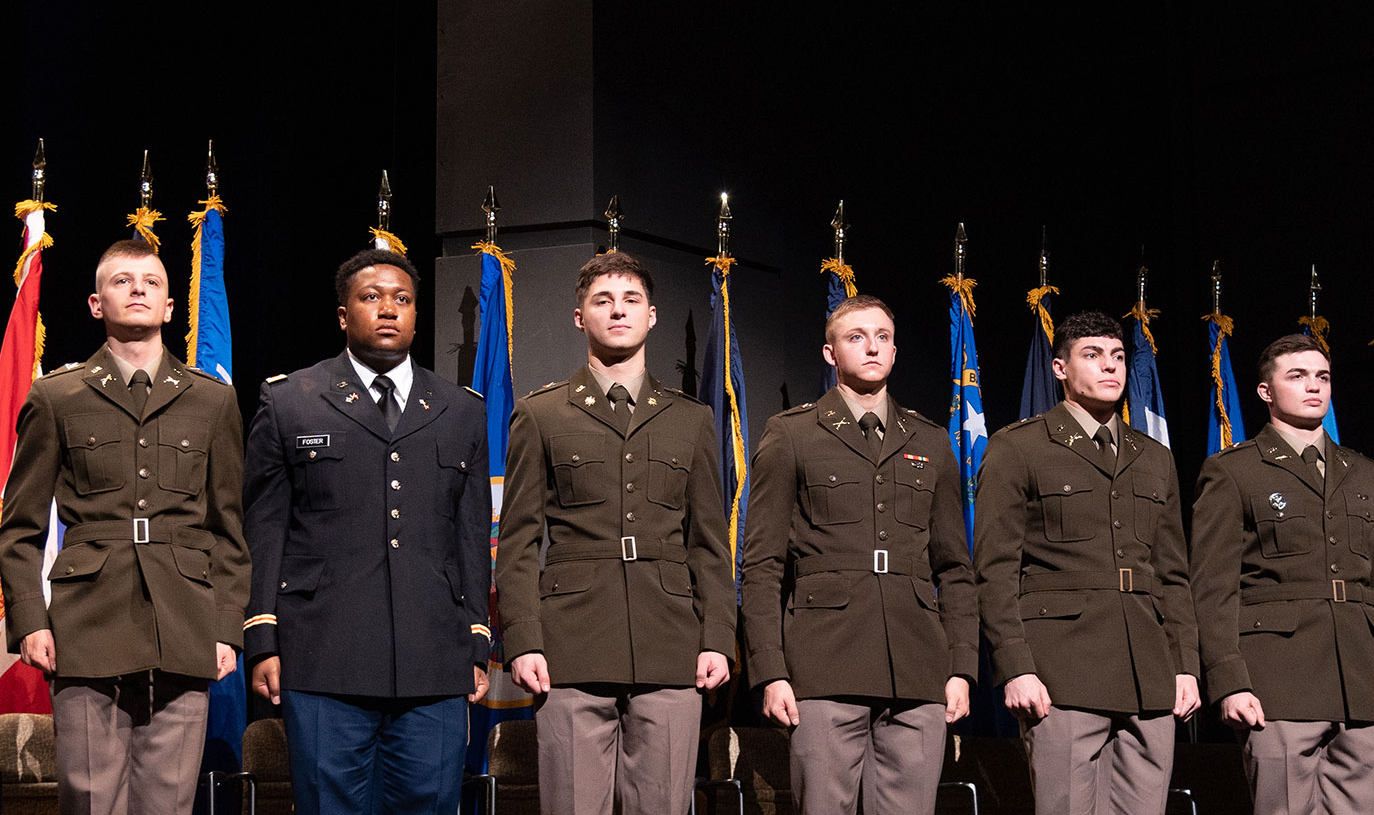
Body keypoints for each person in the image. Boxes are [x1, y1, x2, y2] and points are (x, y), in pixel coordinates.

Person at [0, 240, 248, 815]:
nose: (138, 289)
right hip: (86, 626)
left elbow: (228, 529)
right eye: (122, 281)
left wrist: (226, 628)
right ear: (94, 302)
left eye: (152, 282)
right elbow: (19, 530)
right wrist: (31, 622)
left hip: (183, 625)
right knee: (90, 799)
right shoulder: (56, 396)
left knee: (169, 801)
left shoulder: (212, 402)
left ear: (168, 308)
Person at [242, 249, 491, 814]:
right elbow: (265, 528)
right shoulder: (289, 401)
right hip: (324, 654)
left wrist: (477, 638)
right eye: (371, 297)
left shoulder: (460, 409)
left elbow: (473, 537)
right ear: (342, 315)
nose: (388, 310)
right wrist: (262, 637)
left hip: (434, 656)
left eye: (402, 300)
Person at [495, 250, 735, 815]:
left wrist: (718, 636)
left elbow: (709, 544)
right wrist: (524, 637)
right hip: (571, 644)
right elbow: (519, 541)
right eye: (602, 301)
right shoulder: (542, 414)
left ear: (651, 316)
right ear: (580, 317)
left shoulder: (691, 419)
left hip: (671, 643)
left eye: (631, 301)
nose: (618, 312)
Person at [739, 294, 976, 814]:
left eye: (883, 337)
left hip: (918, 665)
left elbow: (955, 569)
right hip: (824, 663)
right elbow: (762, 564)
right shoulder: (792, 434)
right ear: (830, 353)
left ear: (895, 351)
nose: (872, 347)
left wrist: (961, 666)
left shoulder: (931, 441)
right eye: (856, 337)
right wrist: (771, 670)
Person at [974, 310, 1201, 815]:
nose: (1110, 368)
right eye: (1093, 356)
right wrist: (1015, 668)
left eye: (1118, 357)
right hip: (1061, 671)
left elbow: (1173, 575)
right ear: (1060, 369)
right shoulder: (1020, 447)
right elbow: (994, 570)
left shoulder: (1153, 457)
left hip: (1149, 672)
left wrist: (1185, 664)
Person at [1190, 333, 1374, 814]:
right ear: (1265, 392)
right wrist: (1229, 681)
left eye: (1322, 376)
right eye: (1297, 376)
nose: (1314, 386)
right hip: (1277, 679)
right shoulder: (1233, 471)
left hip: (1364, 681)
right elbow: (1213, 589)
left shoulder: (1363, 472)